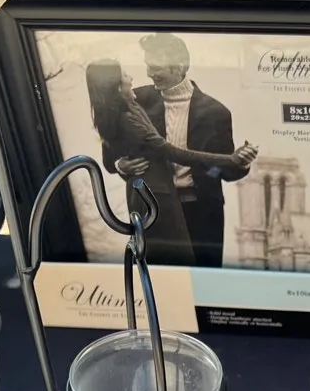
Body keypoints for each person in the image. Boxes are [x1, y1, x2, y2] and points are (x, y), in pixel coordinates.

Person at [85, 60, 256, 267]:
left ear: (179, 67)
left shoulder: (216, 112)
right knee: (163, 275)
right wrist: (120, 165)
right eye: (147, 63)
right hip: (155, 206)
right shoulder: (133, 101)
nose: (148, 73)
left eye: (156, 66)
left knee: (202, 276)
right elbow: (112, 158)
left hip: (202, 210)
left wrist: (238, 163)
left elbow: (223, 172)